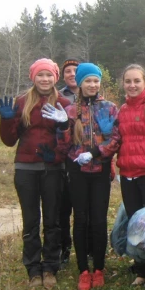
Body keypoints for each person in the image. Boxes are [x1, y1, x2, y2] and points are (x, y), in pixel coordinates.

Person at [42, 63, 118, 290]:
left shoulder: (110, 108)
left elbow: (116, 139)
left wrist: (95, 153)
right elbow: (64, 146)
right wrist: (64, 124)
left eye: (96, 81)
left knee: (98, 219)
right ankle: (83, 269)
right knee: (81, 219)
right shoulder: (71, 110)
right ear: (81, 83)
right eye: (88, 81)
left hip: (100, 170)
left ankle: (99, 268)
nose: (92, 85)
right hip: (77, 172)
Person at [0, 58, 70, 289]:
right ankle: (33, 269)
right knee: (30, 221)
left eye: (49, 75)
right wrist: (6, 119)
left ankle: (50, 267)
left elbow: (69, 142)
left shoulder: (64, 103)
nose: (45, 79)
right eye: (41, 75)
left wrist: (56, 156)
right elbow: (9, 141)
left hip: (52, 169)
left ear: (55, 78)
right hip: (26, 169)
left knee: (52, 220)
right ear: (33, 77)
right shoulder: (21, 103)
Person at [95, 64, 145, 290]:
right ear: (123, 84)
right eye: (128, 81)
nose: (132, 85)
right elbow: (117, 141)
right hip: (128, 175)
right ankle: (141, 267)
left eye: (137, 81)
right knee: (135, 224)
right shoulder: (122, 111)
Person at [57, 58, 79, 267]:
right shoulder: (58, 98)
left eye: (75, 70)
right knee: (62, 209)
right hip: (61, 160)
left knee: (86, 209)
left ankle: (88, 247)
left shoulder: (91, 92)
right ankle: (64, 248)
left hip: (85, 160)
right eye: (68, 72)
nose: (72, 74)